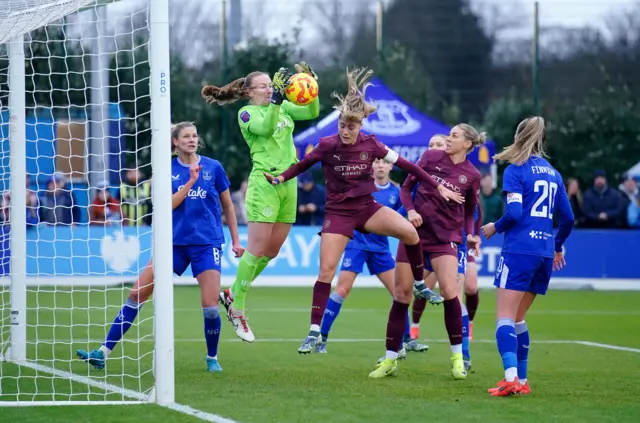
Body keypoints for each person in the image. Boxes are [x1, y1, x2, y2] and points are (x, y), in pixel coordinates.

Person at [264, 68, 463, 354]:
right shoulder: (326, 145)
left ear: (360, 126)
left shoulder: (372, 144)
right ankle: (314, 332)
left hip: (367, 209)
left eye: (351, 127)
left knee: (410, 232)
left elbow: (408, 166)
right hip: (338, 214)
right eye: (343, 125)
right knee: (326, 271)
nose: (345, 131)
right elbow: (302, 165)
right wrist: (281, 177)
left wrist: (437, 185)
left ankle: (419, 284)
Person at [76, 122, 244, 373]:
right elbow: (167, 205)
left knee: (210, 307)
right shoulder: (166, 169)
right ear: (175, 142)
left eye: (195, 136)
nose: (192, 140)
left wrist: (237, 239)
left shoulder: (214, 167)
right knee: (136, 294)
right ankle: (102, 352)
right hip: (172, 244)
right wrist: (190, 182)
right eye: (186, 136)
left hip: (206, 243)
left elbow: (228, 205)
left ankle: (212, 358)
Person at [202, 63, 320, 342]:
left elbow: (313, 112)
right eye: (264, 86)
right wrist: (278, 101)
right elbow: (266, 130)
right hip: (264, 184)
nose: (270, 89)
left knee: (273, 250)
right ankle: (238, 307)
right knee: (255, 248)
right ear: (249, 92)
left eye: (271, 85)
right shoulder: (247, 113)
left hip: (289, 182)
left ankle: (231, 293)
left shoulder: (284, 108)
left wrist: (311, 86)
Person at [370, 123, 484, 380]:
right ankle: (390, 359)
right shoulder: (431, 157)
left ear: (467, 144)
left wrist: (470, 232)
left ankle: (457, 359)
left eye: (454, 136)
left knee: (449, 291)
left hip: (445, 239)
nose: (448, 139)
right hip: (413, 236)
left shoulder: (472, 174)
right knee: (401, 294)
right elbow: (406, 188)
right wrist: (410, 211)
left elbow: (470, 210)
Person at [481, 117, 574, 396]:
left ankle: (510, 378)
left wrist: (493, 227)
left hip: (520, 250)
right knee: (519, 318)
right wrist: (556, 246)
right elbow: (568, 218)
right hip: (544, 253)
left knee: (504, 317)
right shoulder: (554, 173)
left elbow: (514, 213)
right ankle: (521, 381)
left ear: (518, 136)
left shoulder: (515, 169)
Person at [316, 158, 435, 355]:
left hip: (381, 248)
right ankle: (322, 338)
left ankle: (405, 341)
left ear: (390, 166)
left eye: (384, 163)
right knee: (342, 289)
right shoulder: (362, 187)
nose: (380, 165)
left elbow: (400, 215)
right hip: (357, 245)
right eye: (377, 162)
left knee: (399, 293)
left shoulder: (396, 193)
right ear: (371, 165)